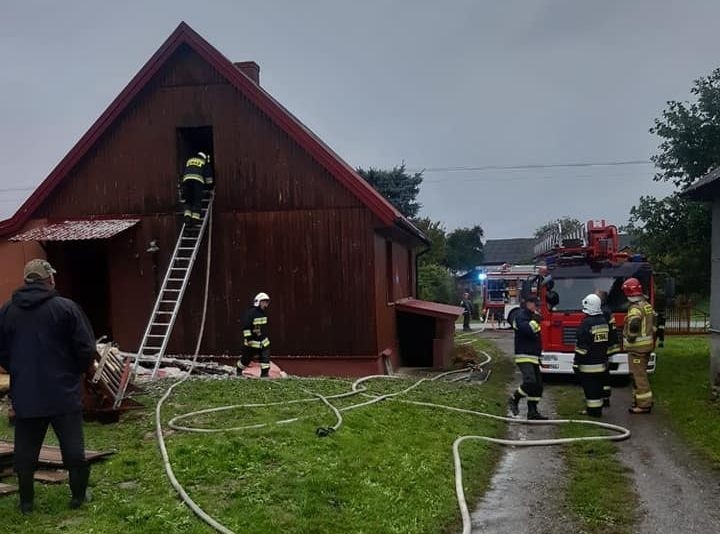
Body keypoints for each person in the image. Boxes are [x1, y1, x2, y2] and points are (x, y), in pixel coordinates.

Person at [0, 259, 96, 513]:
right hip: (62, 393)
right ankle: (77, 497)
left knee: (25, 452)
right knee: (73, 448)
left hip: (26, 394)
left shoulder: (8, 311)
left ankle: (26, 503)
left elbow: (1, 351)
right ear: (48, 279)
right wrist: (74, 371)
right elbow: (86, 348)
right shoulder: (66, 308)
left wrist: (19, 371)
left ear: (27, 280)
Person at [507, 296, 548, 420]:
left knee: (538, 386)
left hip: (534, 356)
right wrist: (536, 321)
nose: (537, 308)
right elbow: (528, 330)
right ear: (528, 303)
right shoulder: (520, 316)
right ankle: (514, 399)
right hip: (524, 355)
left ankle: (532, 411)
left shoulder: (531, 316)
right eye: (536, 305)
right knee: (530, 382)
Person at [622, 278, 656, 414]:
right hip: (646, 347)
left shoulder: (635, 308)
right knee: (639, 375)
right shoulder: (646, 305)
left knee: (639, 376)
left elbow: (634, 324)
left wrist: (630, 337)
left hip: (637, 349)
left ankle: (643, 405)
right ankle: (641, 401)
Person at [574, 294, 610, 417]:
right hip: (601, 364)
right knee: (598, 389)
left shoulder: (586, 323)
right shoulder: (603, 321)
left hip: (588, 365)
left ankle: (593, 412)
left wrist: (576, 362)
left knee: (590, 390)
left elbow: (582, 346)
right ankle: (597, 410)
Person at [237, 292, 272, 378]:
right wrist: (248, 338)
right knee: (245, 360)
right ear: (258, 302)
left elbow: (264, 327)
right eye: (264, 302)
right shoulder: (251, 313)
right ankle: (238, 371)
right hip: (252, 342)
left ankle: (264, 375)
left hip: (263, 342)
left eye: (267, 302)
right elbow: (246, 326)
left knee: (265, 359)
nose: (266, 304)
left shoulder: (263, 313)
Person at [595, 289, 620, 407]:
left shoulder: (602, 312)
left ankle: (601, 398)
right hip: (607, 347)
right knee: (604, 372)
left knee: (600, 373)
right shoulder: (607, 310)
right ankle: (605, 397)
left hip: (602, 347)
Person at [181, 151, 214, 225]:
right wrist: (209, 187)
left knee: (188, 200)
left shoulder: (190, 160)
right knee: (197, 200)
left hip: (186, 181)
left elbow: (185, 171)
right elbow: (208, 175)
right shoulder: (203, 161)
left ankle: (187, 217)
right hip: (197, 182)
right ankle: (195, 220)